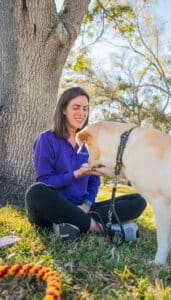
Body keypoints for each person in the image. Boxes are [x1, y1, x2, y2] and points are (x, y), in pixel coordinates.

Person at [25, 86, 146, 241]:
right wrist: (76, 174)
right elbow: (44, 181)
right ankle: (100, 228)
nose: (81, 113)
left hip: (82, 208)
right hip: (52, 207)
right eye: (76, 108)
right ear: (63, 110)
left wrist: (87, 205)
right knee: (36, 192)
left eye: (85, 109)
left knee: (138, 200)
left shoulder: (89, 143)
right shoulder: (47, 139)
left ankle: (72, 225)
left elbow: (94, 181)